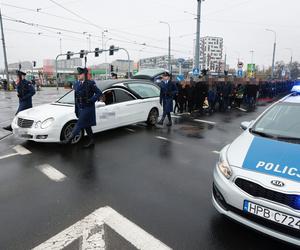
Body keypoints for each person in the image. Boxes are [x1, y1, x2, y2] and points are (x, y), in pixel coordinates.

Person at [63, 67, 102, 148]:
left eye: (80, 74)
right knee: (87, 125)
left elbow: (99, 93)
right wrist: (76, 108)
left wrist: (92, 100)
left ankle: (68, 140)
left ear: (84, 74)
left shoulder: (90, 83)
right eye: (78, 74)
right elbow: (75, 96)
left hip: (88, 107)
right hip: (80, 107)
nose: (78, 75)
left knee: (79, 124)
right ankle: (92, 141)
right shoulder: (76, 83)